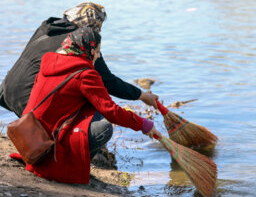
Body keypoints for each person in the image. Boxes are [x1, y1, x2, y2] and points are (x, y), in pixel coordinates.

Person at [21, 27, 161, 184]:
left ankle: (62, 162)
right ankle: (69, 168)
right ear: (88, 50)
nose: (98, 55)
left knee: (91, 111)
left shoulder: (49, 61)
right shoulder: (85, 74)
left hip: (29, 138)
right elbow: (111, 111)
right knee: (103, 127)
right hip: (48, 144)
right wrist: (144, 124)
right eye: (97, 50)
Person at [0, 2, 158, 118]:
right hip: (29, 103)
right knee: (94, 107)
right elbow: (108, 82)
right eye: (99, 25)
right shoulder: (80, 42)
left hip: (6, 93)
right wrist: (143, 96)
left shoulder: (46, 29)